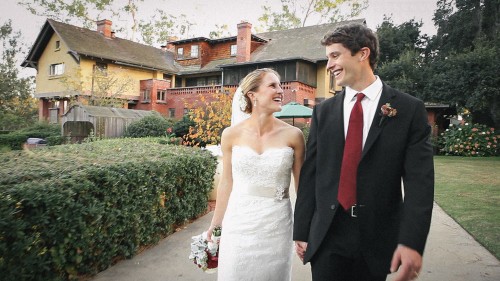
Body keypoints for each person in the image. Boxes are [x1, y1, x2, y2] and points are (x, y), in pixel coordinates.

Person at [293, 23, 434, 281]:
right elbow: (311, 174)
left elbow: (420, 183)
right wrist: (301, 230)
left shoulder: (409, 109)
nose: (329, 65)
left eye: (335, 55)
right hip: (327, 236)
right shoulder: (323, 112)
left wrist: (411, 241)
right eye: (328, 58)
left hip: (377, 238)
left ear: (363, 54)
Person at [207, 68, 305, 280]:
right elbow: (226, 183)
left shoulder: (294, 135)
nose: (280, 90)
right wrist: (215, 225)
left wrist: (304, 231)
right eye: (273, 85)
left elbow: (303, 188)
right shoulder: (230, 135)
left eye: (280, 85)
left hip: (277, 226)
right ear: (252, 95)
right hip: (239, 224)